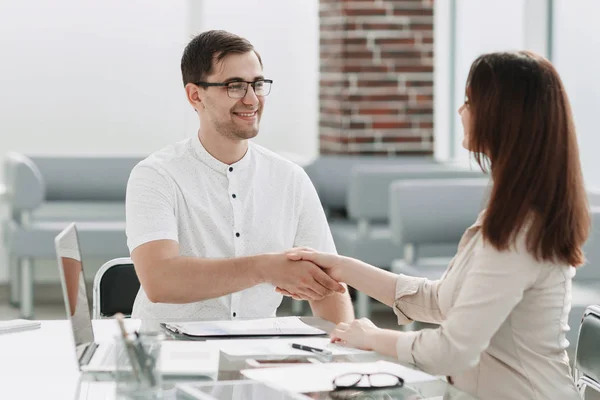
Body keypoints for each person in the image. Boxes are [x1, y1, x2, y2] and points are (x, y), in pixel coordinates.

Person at [282, 51, 589, 399]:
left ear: (502, 117)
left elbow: (452, 350)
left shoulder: (520, 233)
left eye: (470, 101)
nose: (461, 112)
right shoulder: (509, 215)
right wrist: (341, 267)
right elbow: (440, 301)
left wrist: (372, 337)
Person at [125, 30, 353, 323]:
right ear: (196, 95)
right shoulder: (156, 175)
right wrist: (266, 267)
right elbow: (160, 280)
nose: (251, 99)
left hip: (260, 353)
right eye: (234, 86)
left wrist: (344, 351)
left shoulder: (290, 179)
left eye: (257, 85)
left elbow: (328, 286)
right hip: (169, 354)